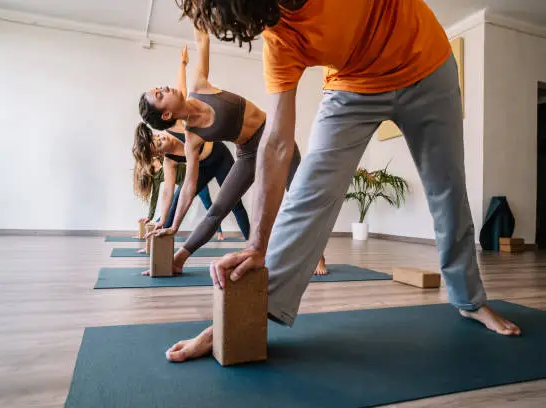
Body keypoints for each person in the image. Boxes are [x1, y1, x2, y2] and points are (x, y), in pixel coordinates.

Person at [163, 0, 521, 363]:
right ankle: (246, 317)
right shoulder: (279, 36)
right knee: (308, 190)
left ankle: (470, 300)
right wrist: (257, 244)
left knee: (447, 189)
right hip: (352, 87)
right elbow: (277, 142)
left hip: (426, 65)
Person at [141, 28, 331, 276]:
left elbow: (203, 38)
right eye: (160, 94)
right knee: (218, 209)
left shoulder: (199, 85)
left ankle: (318, 255)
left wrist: (198, 13)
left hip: (275, 138)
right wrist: (173, 226)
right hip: (249, 155)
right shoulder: (192, 138)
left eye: (160, 88)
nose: (165, 88)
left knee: (298, 196)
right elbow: (188, 186)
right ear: (166, 114)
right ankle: (179, 259)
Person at [133, 45, 250, 251]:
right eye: (159, 143)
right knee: (177, 199)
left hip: (220, 157)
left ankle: (253, 245)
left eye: (158, 136)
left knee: (235, 203)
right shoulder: (169, 161)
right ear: (159, 155)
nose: (161, 138)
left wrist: (183, 64)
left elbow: (181, 91)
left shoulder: (177, 126)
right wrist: (163, 220)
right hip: (202, 167)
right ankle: (157, 243)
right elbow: (168, 191)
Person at [134, 156, 225, 242]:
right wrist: (149, 216)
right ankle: (152, 231)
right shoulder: (155, 176)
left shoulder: (163, 158)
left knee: (208, 205)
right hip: (184, 187)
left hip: (197, 179)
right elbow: (154, 196)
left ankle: (219, 231)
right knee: (171, 207)